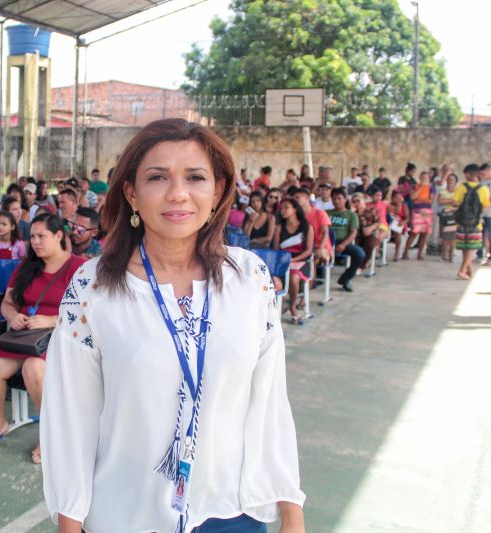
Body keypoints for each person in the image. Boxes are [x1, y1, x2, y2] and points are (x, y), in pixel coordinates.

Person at [41, 119, 305, 533]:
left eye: (195, 177)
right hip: (126, 516)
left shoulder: (250, 278)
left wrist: (291, 513)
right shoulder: (92, 286)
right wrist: (70, 521)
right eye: (157, 177)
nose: (178, 193)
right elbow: (72, 415)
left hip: (231, 513)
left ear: (217, 191)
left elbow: (270, 402)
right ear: (131, 193)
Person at [0, 214, 86, 463]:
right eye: (32, 236)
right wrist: (13, 316)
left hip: (63, 335)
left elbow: (89, 312)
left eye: (41, 236)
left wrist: (51, 320)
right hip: (25, 334)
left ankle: (50, 433)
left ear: (59, 236)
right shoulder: (27, 266)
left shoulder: (79, 267)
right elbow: (7, 303)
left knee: (34, 368)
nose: (35, 242)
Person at [274, 198, 314, 325]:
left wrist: (292, 260)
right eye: (281, 208)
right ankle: (277, 308)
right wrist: (285, 262)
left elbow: (308, 251)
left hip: (301, 261)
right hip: (283, 263)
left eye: (286, 207)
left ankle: (292, 307)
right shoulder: (279, 228)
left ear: (295, 210)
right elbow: (276, 250)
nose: (283, 210)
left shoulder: (307, 228)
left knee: (294, 277)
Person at [453, 163, 491, 280]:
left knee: (465, 247)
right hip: (476, 223)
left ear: (469, 174)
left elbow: (455, 202)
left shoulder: (461, 187)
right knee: (472, 248)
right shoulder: (483, 189)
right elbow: (486, 206)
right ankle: (462, 271)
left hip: (461, 221)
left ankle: (469, 272)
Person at [327, 188, 364, 292]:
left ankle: (345, 279)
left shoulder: (351, 215)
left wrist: (343, 244)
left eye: (339, 198)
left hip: (341, 242)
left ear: (345, 199)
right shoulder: (326, 213)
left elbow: (353, 232)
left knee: (360, 254)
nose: (336, 201)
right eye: (334, 199)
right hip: (326, 242)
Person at [293, 187, 331, 268]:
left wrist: (320, 248)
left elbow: (325, 233)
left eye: (297, 198)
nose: (295, 201)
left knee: (314, 256)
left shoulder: (320, 213)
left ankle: (311, 276)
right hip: (304, 247)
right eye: (294, 198)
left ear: (306, 198)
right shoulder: (296, 216)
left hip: (321, 247)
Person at [402, 171, 435, 260]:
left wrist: (419, 200)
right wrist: (421, 187)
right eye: (422, 177)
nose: (424, 179)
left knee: (424, 233)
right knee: (414, 232)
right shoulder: (414, 186)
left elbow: (431, 201)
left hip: (427, 212)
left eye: (426, 178)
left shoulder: (431, 188)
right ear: (420, 178)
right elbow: (412, 197)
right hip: (417, 211)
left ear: (428, 179)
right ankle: (405, 253)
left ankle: (420, 254)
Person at [350, 192, 385, 269]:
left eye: (358, 201)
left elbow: (378, 222)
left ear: (363, 200)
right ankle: (355, 264)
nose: (356, 203)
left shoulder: (372, 210)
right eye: (354, 201)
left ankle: (363, 265)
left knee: (369, 244)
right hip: (357, 234)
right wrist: (351, 212)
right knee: (354, 246)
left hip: (370, 233)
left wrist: (371, 228)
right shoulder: (352, 212)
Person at [437, 173, 458, 262]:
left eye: (452, 179)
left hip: (454, 216)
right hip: (444, 216)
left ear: (456, 181)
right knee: (445, 237)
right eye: (449, 179)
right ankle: (443, 255)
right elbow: (440, 201)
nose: (450, 181)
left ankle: (451, 256)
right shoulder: (442, 192)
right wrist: (451, 201)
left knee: (453, 237)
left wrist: (447, 202)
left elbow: (459, 203)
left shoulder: (458, 192)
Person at [479, 163, 491, 266]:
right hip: (483, 212)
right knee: (481, 234)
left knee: (490, 234)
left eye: (483, 174)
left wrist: (485, 206)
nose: (482, 176)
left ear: (489, 171)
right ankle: (480, 255)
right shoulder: (483, 182)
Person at [388, 190, 409, 262]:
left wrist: (403, 222)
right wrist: (399, 203)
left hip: (399, 224)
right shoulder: (389, 205)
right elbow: (396, 211)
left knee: (398, 231)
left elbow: (407, 218)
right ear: (392, 198)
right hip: (390, 222)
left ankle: (396, 253)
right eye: (396, 197)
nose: (398, 199)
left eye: (399, 197)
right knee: (396, 228)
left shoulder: (404, 206)